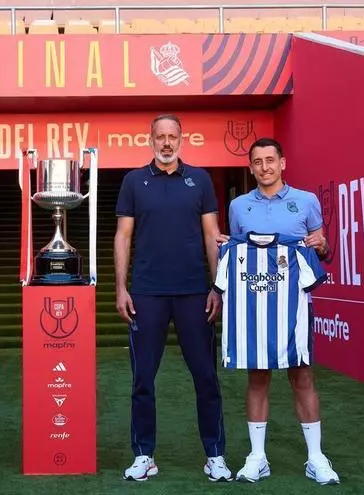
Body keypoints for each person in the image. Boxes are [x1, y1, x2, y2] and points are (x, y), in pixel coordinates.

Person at [114, 114, 231, 482]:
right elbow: (123, 237)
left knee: (206, 378)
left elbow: (213, 234)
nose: (166, 143)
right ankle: (144, 455)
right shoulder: (134, 181)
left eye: (172, 137)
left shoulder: (201, 179)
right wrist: (121, 287)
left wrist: (218, 287)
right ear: (150, 139)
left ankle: (215, 455)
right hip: (147, 293)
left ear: (182, 139)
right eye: (160, 137)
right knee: (142, 380)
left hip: (195, 292)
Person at [224, 137, 340, 485]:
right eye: (257, 162)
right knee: (257, 377)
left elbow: (325, 251)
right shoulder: (239, 206)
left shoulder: (306, 201)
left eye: (270, 160)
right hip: (255, 305)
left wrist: (323, 244)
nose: (264, 167)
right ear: (251, 167)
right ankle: (258, 457)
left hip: (294, 305)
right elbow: (237, 255)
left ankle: (316, 458)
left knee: (301, 375)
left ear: (282, 162)